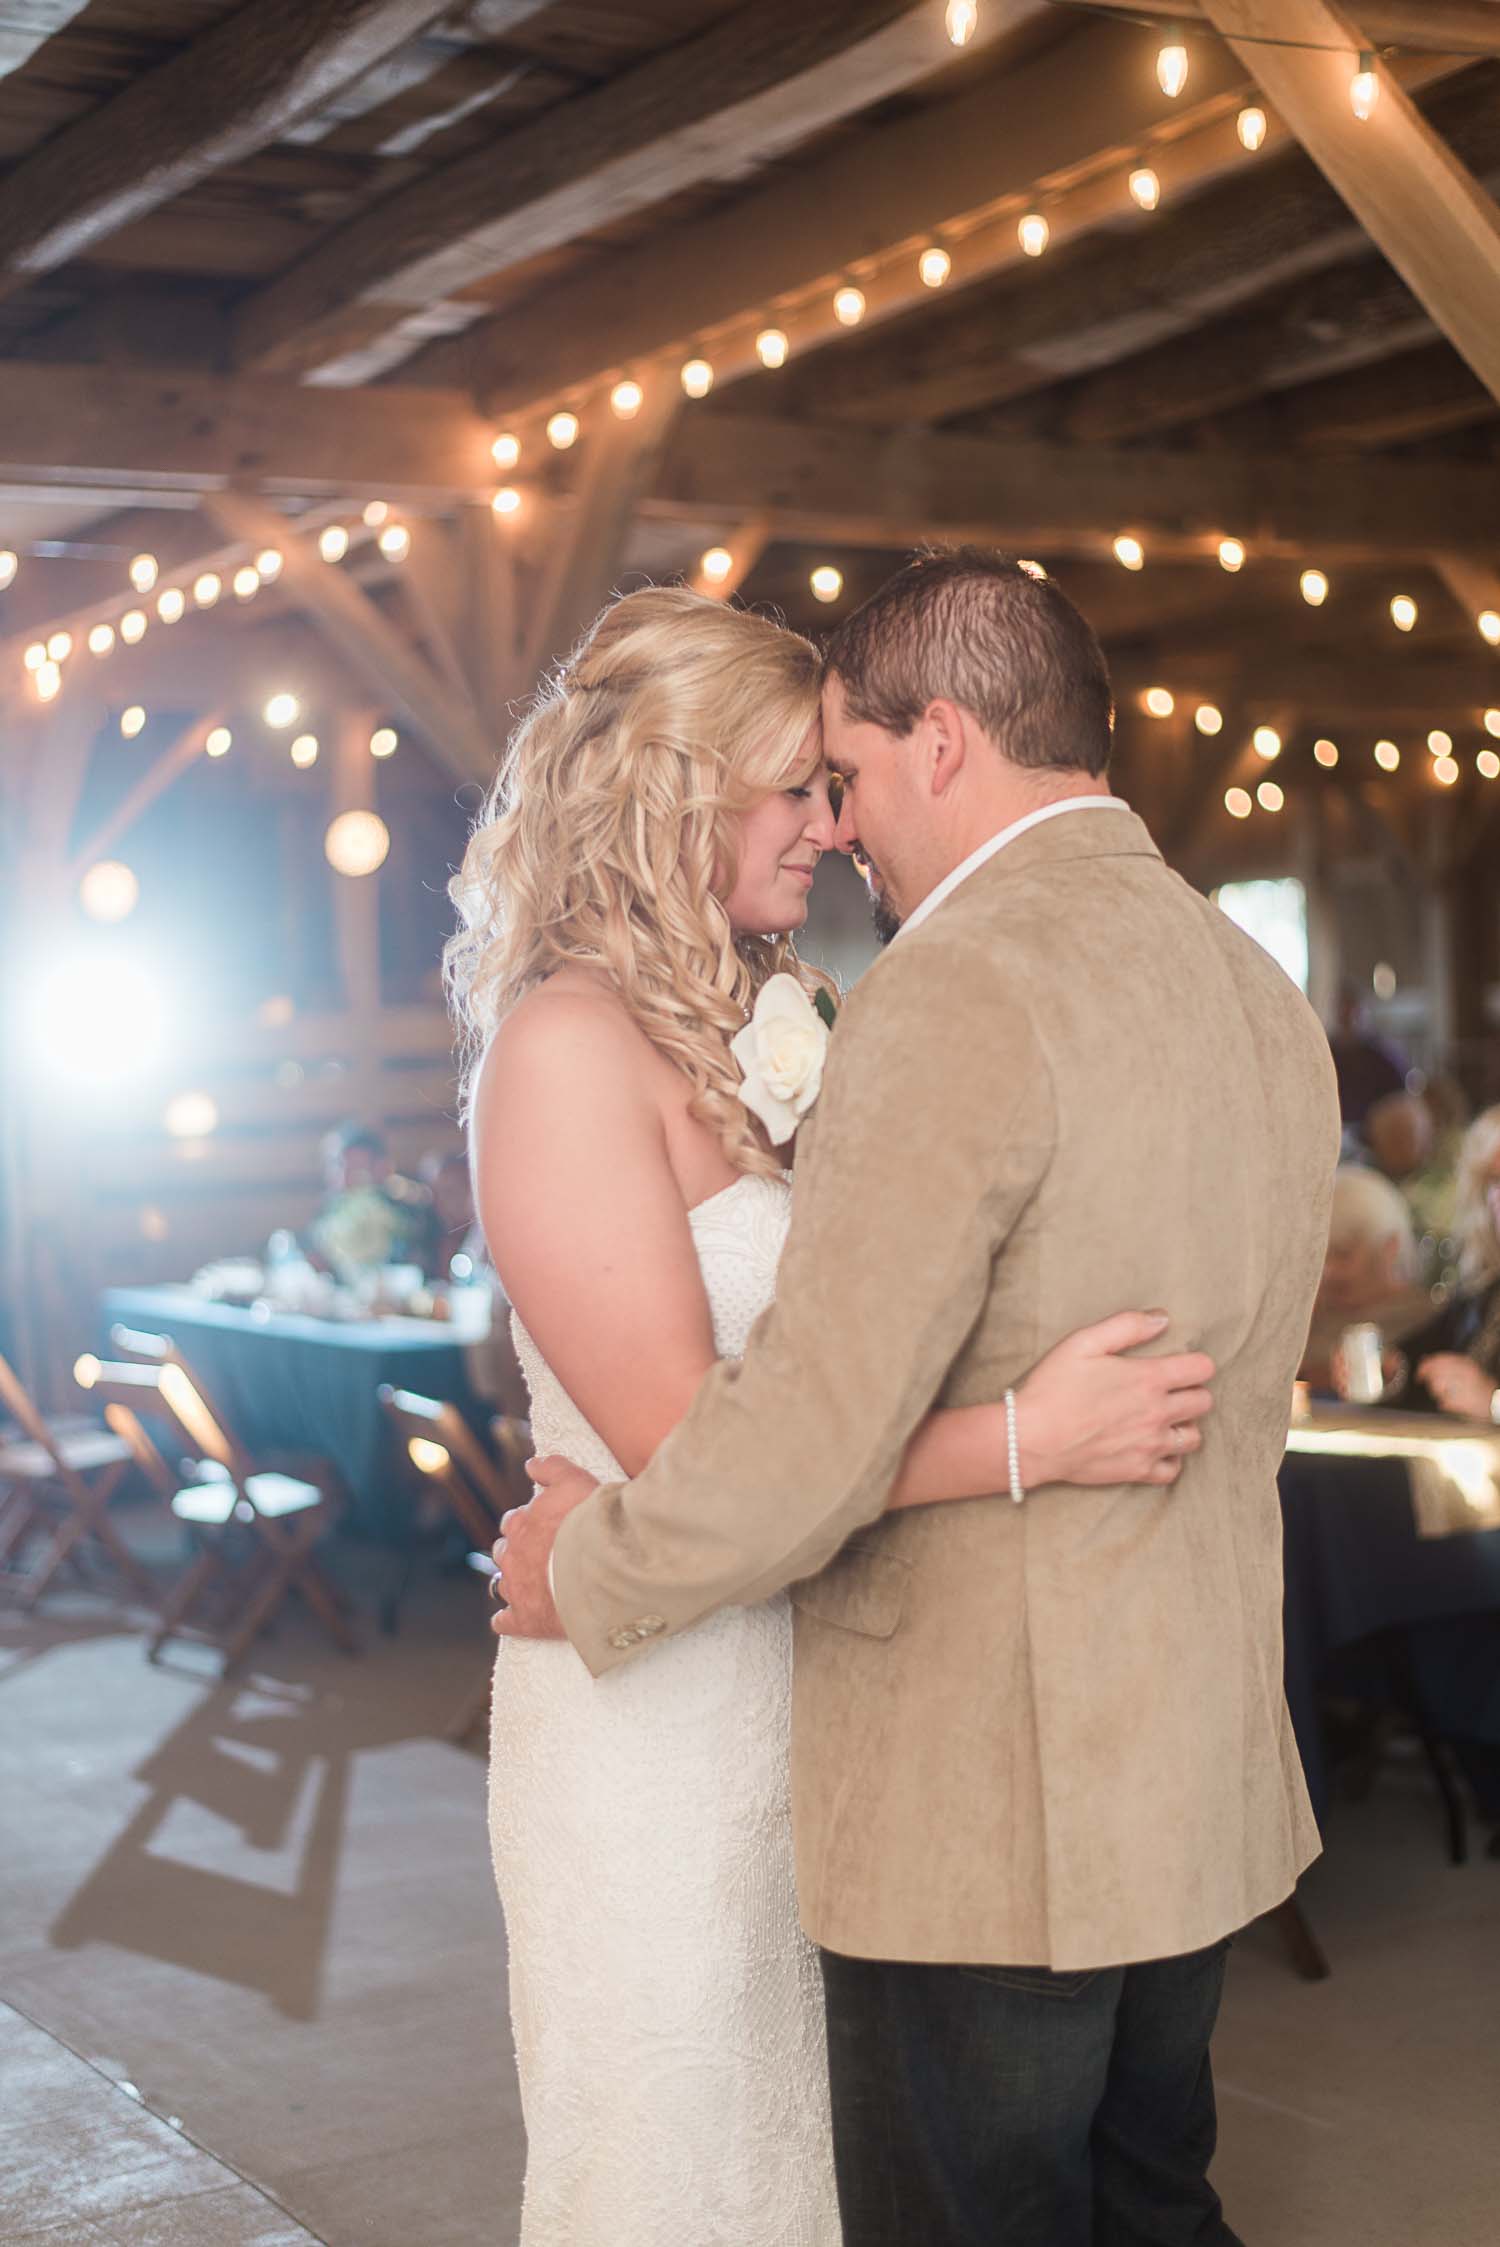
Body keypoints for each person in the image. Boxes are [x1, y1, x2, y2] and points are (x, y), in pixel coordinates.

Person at [494, 552, 1342, 2247]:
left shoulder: (942, 988)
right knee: (1145, 2198)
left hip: (981, 1781)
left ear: (941, 743)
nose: (839, 826)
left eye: (848, 779)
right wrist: (1033, 1434)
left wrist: (586, 1570)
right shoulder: (1253, 985)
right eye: (797, 790)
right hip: (1178, 1762)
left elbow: (800, 1434)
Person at [1393, 1104, 1500, 1420]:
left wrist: (1493, 1402)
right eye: (1494, 1181)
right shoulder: (1481, 1292)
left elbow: (1481, 1399)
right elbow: (1419, 1364)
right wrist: (1387, 1374)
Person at [1299, 1164, 1430, 1391]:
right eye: (1321, 1255)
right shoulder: (1307, 1319)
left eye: (1343, 1254)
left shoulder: (1432, 1323)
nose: (1329, 1271)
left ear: (1390, 1247)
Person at [305, 1121, 438, 1280]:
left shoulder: (408, 1212)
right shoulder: (327, 1212)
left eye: (357, 1169)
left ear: (382, 1168)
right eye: (339, 1167)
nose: (346, 1179)